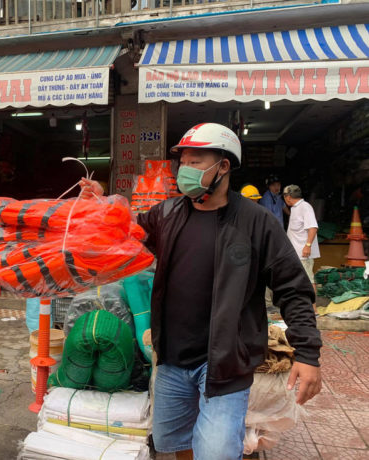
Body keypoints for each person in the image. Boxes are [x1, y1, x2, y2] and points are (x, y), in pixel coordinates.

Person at [80, 123, 322, 460]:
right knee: (177, 442)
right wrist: (100, 204)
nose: (185, 170)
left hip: (225, 362)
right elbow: (125, 233)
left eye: (196, 161)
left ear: (223, 166)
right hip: (172, 359)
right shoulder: (166, 214)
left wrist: (308, 354)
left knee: (217, 452)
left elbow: (292, 289)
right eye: (183, 162)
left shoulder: (255, 222)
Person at [283, 184, 320, 310]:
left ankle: (313, 308)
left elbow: (313, 227)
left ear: (288, 197)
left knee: (308, 279)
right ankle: (303, 306)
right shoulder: (294, 208)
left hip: (303, 253)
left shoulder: (305, 207)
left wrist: (307, 246)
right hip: (296, 253)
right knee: (299, 280)